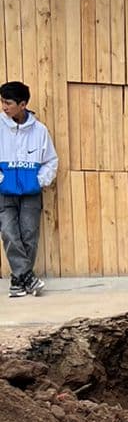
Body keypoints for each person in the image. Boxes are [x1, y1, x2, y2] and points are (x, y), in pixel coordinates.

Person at [0, 80, 58, 298]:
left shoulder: (39, 131)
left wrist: (39, 181)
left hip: (31, 194)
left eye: (8, 103)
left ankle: (18, 281)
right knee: (9, 233)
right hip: (4, 193)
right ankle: (28, 277)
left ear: (22, 105)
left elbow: (51, 160)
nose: (4, 107)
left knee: (29, 236)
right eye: (2, 102)